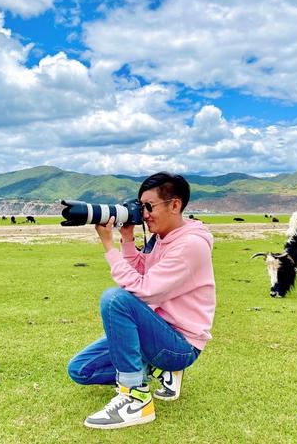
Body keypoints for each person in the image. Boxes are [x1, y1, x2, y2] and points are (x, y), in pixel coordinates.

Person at [67, 172, 216, 429]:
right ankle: (158, 371)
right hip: (157, 330)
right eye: (141, 207)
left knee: (115, 299)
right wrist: (126, 239)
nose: (144, 214)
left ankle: (135, 397)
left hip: (179, 344)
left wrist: (108, 247)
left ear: (175, 205)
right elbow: (142, 270)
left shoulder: (190, 245)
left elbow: (144, 290)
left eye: (149, 206)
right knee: (81, 369)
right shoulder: (161, 238)